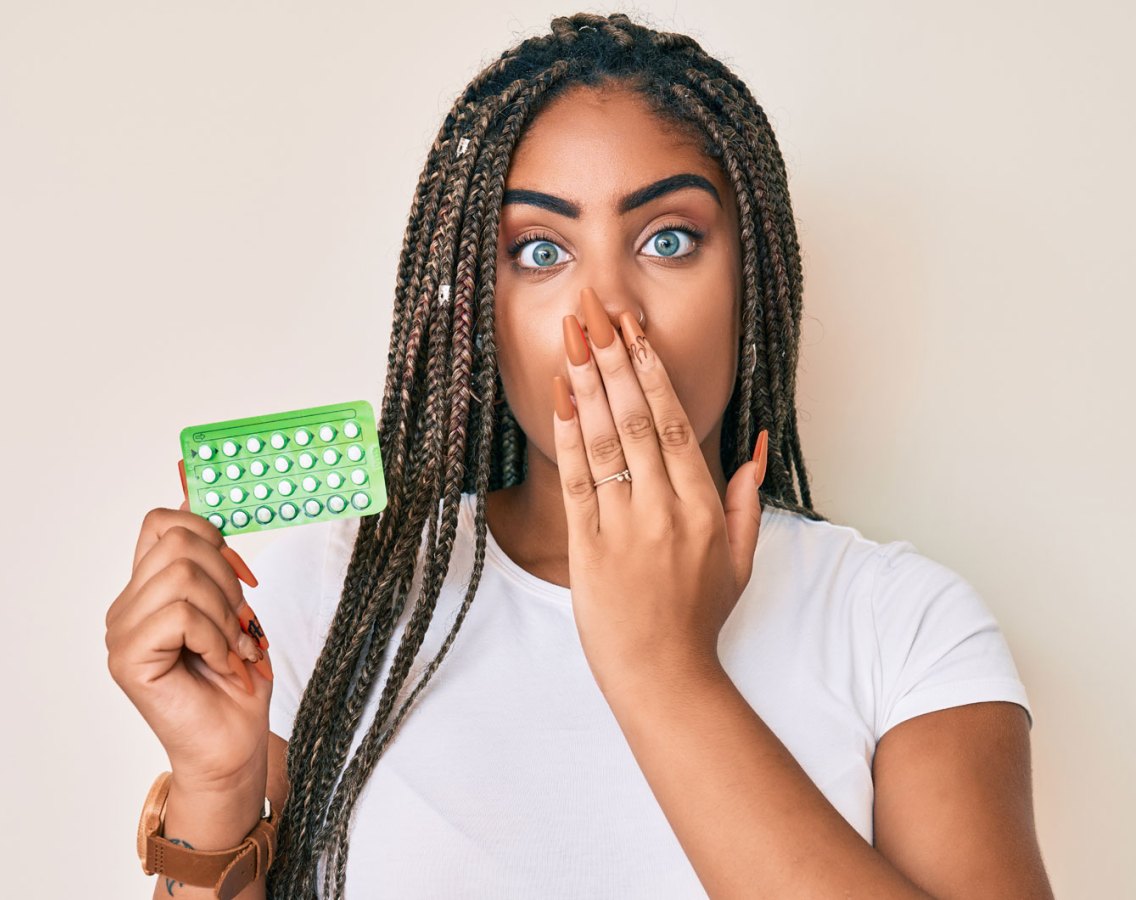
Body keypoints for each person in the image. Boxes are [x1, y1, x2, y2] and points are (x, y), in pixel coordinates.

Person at [106, 11, 1055, 899]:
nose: (608, 317)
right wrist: (217, 783)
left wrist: (662, 668)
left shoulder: (905, 629)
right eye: (541, 253)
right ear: (481, 308)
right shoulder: (335, 595)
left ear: (750, 285)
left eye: (669, 239)